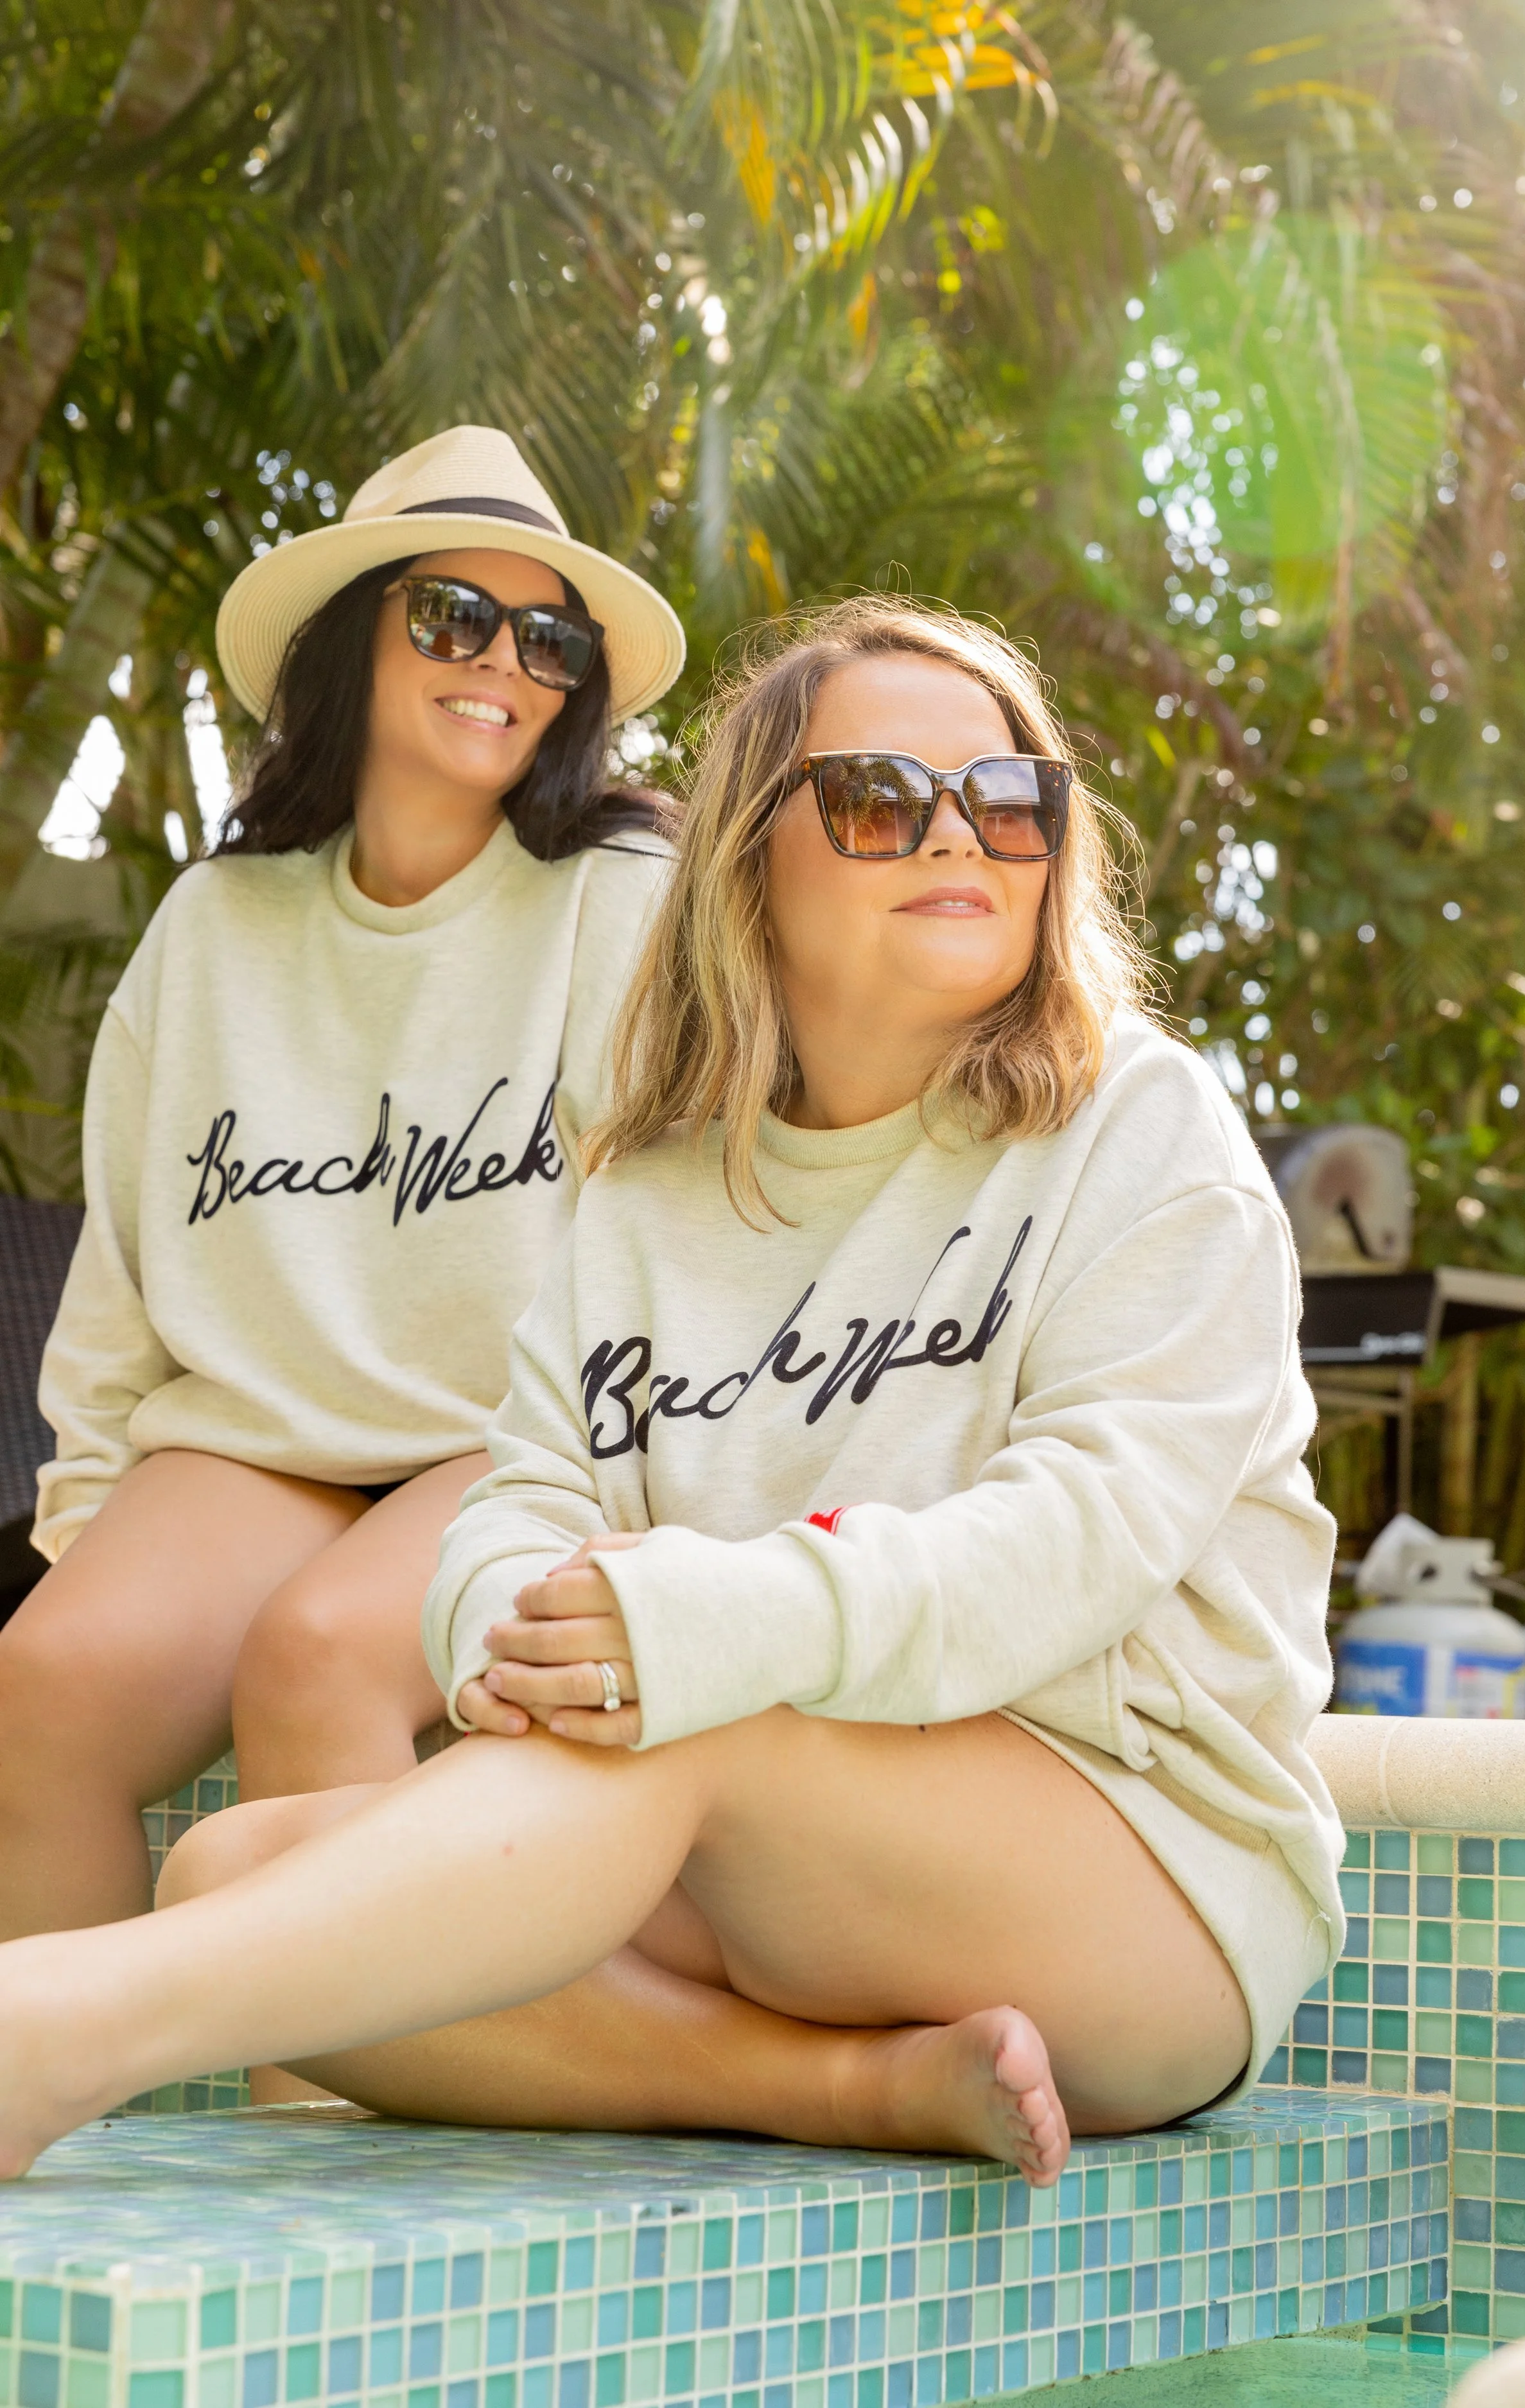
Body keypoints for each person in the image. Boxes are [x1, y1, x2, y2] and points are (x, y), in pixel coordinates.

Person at [0, 596, 1344, 2186]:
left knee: (693, 1732)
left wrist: (713, 1622)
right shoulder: (649, 1186)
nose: (955, 837)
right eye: (875, 799)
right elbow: (523, 1501)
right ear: (744, 860)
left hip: (1143, 1882)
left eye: (1007, 801)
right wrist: (520, 1628)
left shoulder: (1140, 1128)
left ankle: (50, 2028)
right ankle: (835, 2088)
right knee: (229, 1862)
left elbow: (1085, 1535)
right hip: (781, 1884)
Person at [0, 425, 684, 1945]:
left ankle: (314, 2175)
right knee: (38, 1685)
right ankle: (60, 2164)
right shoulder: (215, 923)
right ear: (351, 640)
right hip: (256, 1452)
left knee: (315, 1657)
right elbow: (121, 1273)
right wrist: (91, 1537)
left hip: (503, 1445)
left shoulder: (616, 901)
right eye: (453, 616)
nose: (502, 661)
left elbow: (673, 1248)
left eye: (548, 638)